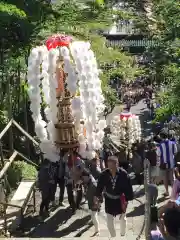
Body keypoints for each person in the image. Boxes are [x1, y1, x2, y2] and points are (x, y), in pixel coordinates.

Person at [94, 156, 133, 238]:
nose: (110, 168)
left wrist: (127, 199)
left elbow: (128, 188)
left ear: (117, 164)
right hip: (109, 200)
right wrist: (97, 196)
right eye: (109, 166)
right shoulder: (104, 174)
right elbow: (99, 187)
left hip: (120, 200)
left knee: (123, 218)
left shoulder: (123, 174)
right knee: (109, 221)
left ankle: (122, 234)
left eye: (112, 166)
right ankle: (113, 236)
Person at [85, 158, 102, 236]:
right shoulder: (90, 171)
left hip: (95, 199)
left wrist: (100, 200)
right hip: (92, 199)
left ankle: (97, 230)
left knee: (94, 215)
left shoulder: (97, 172)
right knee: (93, 214)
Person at [157, 131, 177, 196]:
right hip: (171, 163)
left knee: (165, 178)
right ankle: (174, 193)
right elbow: (175, 152)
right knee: (172, 178)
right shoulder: (173, 143)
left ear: (161, 137)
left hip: (163, 164)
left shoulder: (160, 145)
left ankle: (167, 192)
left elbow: (158, 154)